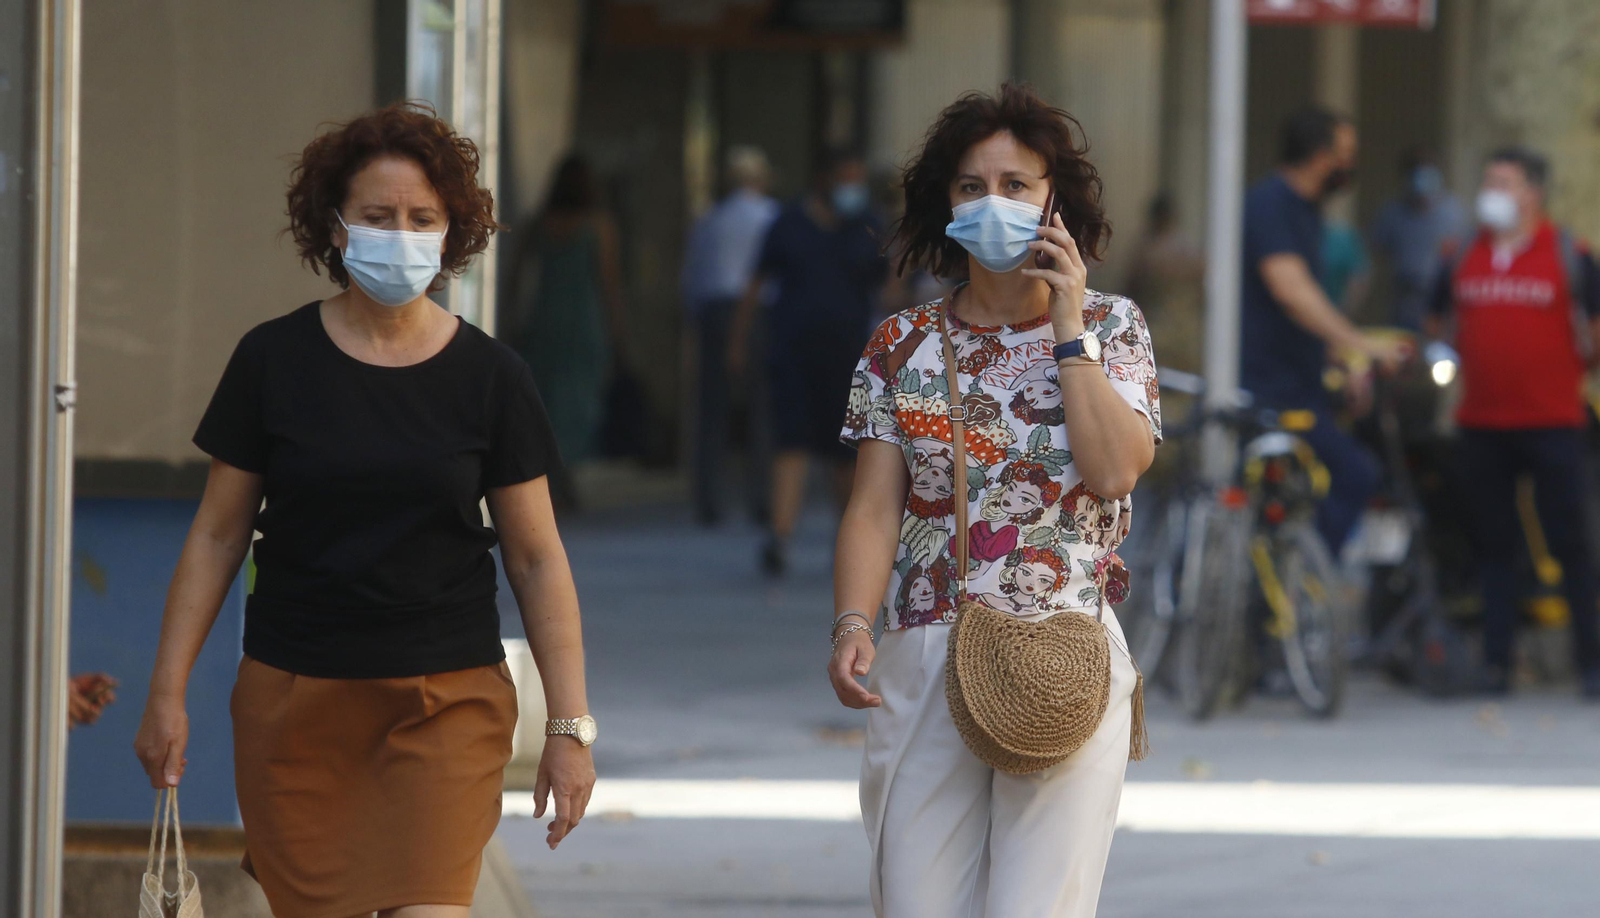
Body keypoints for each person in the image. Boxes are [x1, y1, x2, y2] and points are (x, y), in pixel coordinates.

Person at [132, 103, 598, 918]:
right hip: (297, 705)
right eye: (379, 217)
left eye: (422, 218)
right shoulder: (271, 361)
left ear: (453, 232)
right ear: (337, 228)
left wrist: (570, 725)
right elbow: (215, 534)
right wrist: (166, 690)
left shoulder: (492, 378)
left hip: (446, 700)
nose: (401, 234)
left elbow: (535, 557)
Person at [831, 82, 1159, 917]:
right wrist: (852, 623)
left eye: (1016, 185)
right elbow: (873, 508)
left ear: (1056, 200)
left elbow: (1117, 469)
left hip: (1063, 655)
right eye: (972, 187)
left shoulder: (1114, 329)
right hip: (925, 650)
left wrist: (1069, 325)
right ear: (944, 206)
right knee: (913, 900)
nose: (994, 203)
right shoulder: (899, 344)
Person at [1424, 147, 1600, 698]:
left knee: (1572, 544)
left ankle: (1589, 663)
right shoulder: (1461, 256)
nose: (1491, 191)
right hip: (1481, 425)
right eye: (1488, 179)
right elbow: (1435, 319)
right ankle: (1496, 665)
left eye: (1503, 181)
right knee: (1493, 548)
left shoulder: (1570, 254)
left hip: (1554, 423)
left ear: (1533, 192)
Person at [1240, 106, 1404, 555]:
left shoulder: (1306, 213)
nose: (1350, 166)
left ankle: (1295, 587)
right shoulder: (1270, 204)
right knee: (1355, 474)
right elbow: (1290, 290)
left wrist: (1343, 362)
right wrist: (1359, 344)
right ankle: (1302, 588)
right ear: (1319, 157)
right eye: (1345, 154)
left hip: (1300, 382)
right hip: (1270, 388)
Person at [729, 148, 888, 576]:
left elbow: (890, 286)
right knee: (792, 443)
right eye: (845, 178)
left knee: (846, 451)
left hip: (850, 356)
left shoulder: (868, 225)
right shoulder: (788, 223)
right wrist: (738, 343)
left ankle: (851, 539)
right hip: (793, 352)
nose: (851, 188)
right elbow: (756, 282)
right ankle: (779, 538)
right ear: (824, 179)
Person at [505, 153, 628, 508]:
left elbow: (514, 276)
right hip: (583, 323)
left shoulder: (540, 223)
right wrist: (619, 335)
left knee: (545, 404)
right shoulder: (598, 225)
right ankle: (565, 476)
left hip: (545, 321)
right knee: (578, 404)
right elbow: (609, 284)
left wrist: (513, 319)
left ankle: (555, 480)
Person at [680, 145, 780, 526]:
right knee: (763, 408)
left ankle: (709, 500)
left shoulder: (711, 218)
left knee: (711, 409)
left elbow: (691, 279)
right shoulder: (771, 216)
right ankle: (762, 499)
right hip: (759, 314)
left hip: (714, 312)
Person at [1370, 147, 1469, 330]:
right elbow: (1377, 251)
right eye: (1418, 172)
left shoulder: (1453, 212)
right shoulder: (1391, 213)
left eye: (1429, 171)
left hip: (1443, 301)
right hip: (1406, 299)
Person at [1124, 193, 1203, 374]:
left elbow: (1131, 286)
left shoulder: (1147, 250)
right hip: (1181, 326)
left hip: (1161, 325)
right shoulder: (1186, 249)